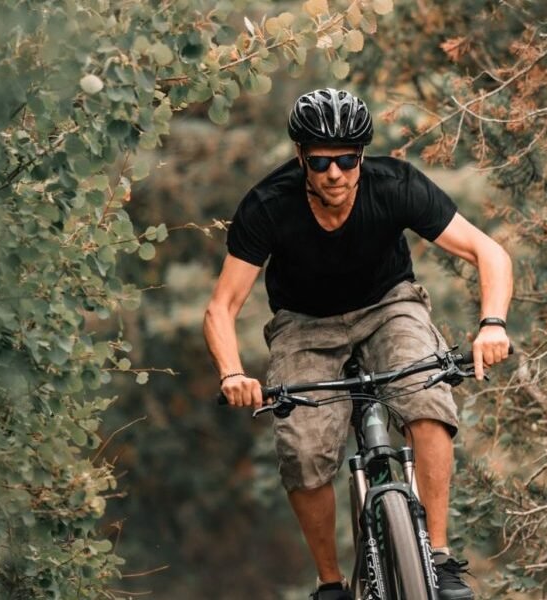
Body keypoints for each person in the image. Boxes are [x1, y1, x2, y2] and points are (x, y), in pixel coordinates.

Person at [203, 88, 512, 600]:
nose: (335, 174)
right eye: (321, 162)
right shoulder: (268, 205)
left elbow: (489, 252)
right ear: (301, 157)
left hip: (389, 307)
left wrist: (493, 323)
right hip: (304, 324)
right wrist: (233, 373)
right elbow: (221, 307)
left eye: (347, 160)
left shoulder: (395, 185)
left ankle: (436, 556)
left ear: (361, 156)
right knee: (303, 449)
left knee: (427, 399)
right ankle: (329, 582)